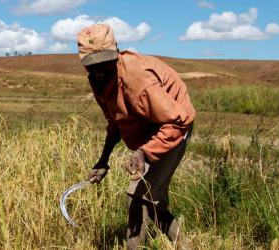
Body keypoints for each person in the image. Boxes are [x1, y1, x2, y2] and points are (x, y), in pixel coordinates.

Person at [78, 24, 195, 249]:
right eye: (92, 65)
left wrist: (144, 152)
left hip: (174, 126)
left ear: (116, 52)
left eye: (104, 61)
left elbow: (177, 121)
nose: (99, 69)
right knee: (152, 201)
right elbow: (115, 122)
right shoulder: (98, 80)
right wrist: (103, 161)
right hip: (150, 126)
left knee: (138, 195)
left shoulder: (138, 80)